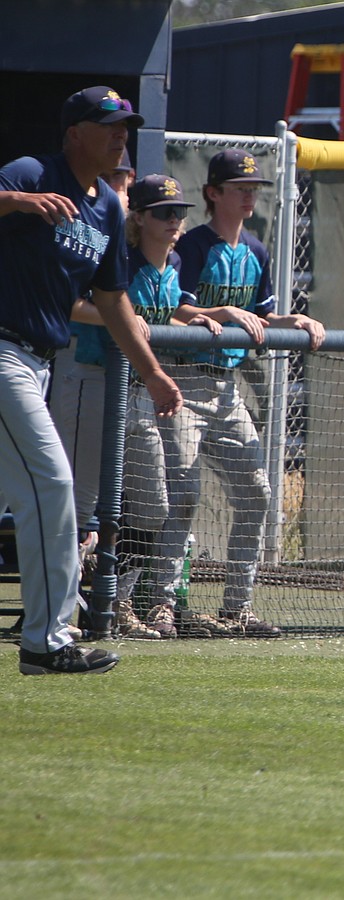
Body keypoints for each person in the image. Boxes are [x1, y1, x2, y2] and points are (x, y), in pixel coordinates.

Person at [0, 85, 182, 674]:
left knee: (38, 493)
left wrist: (151, 373)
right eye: (108, 124)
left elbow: (112, 300)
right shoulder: (32, 172)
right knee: (53, 485)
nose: (120, 135)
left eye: (126, 125)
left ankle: (43, 639)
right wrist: (17, 203)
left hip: (39, 364)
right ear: (75, 131)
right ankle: (45, 643)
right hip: (3, 351)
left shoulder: (107, 206)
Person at [148, 148, 324, 638]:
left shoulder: (257, 250)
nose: (250, 195)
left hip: (226, 388)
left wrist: (296, 320)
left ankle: (237, 608)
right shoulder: (192, 244)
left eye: (255, 188)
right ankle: (161, 604)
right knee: (179, 496)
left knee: (257, 494)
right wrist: (222, 311)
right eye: (240, 187)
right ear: (213, 193)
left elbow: (261, 318)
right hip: (181, 380)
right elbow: (173, 310)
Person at [116, 174, 228, 639]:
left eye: (180, 212)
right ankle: (104, 603)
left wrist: (199, 315)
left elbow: (171, 309)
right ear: (139, 218)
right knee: (101, 505)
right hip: (111, 388)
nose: (175, 221)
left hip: (146, 391)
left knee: (151, 507)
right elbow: (103, 304)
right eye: (164, 212)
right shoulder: (123, 261)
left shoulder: (174, 262)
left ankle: (117, 601)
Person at [49, 147, 136, 602]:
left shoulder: (116, 228)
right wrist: (113, 315)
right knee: (74, 495)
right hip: (77, 367)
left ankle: (79, 601)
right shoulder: (81, 226)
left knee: (97, 499)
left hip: (111, 377)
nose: (118, 192)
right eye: (114, 183)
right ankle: (59, 602)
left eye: (125, 184)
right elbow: (64, 298)